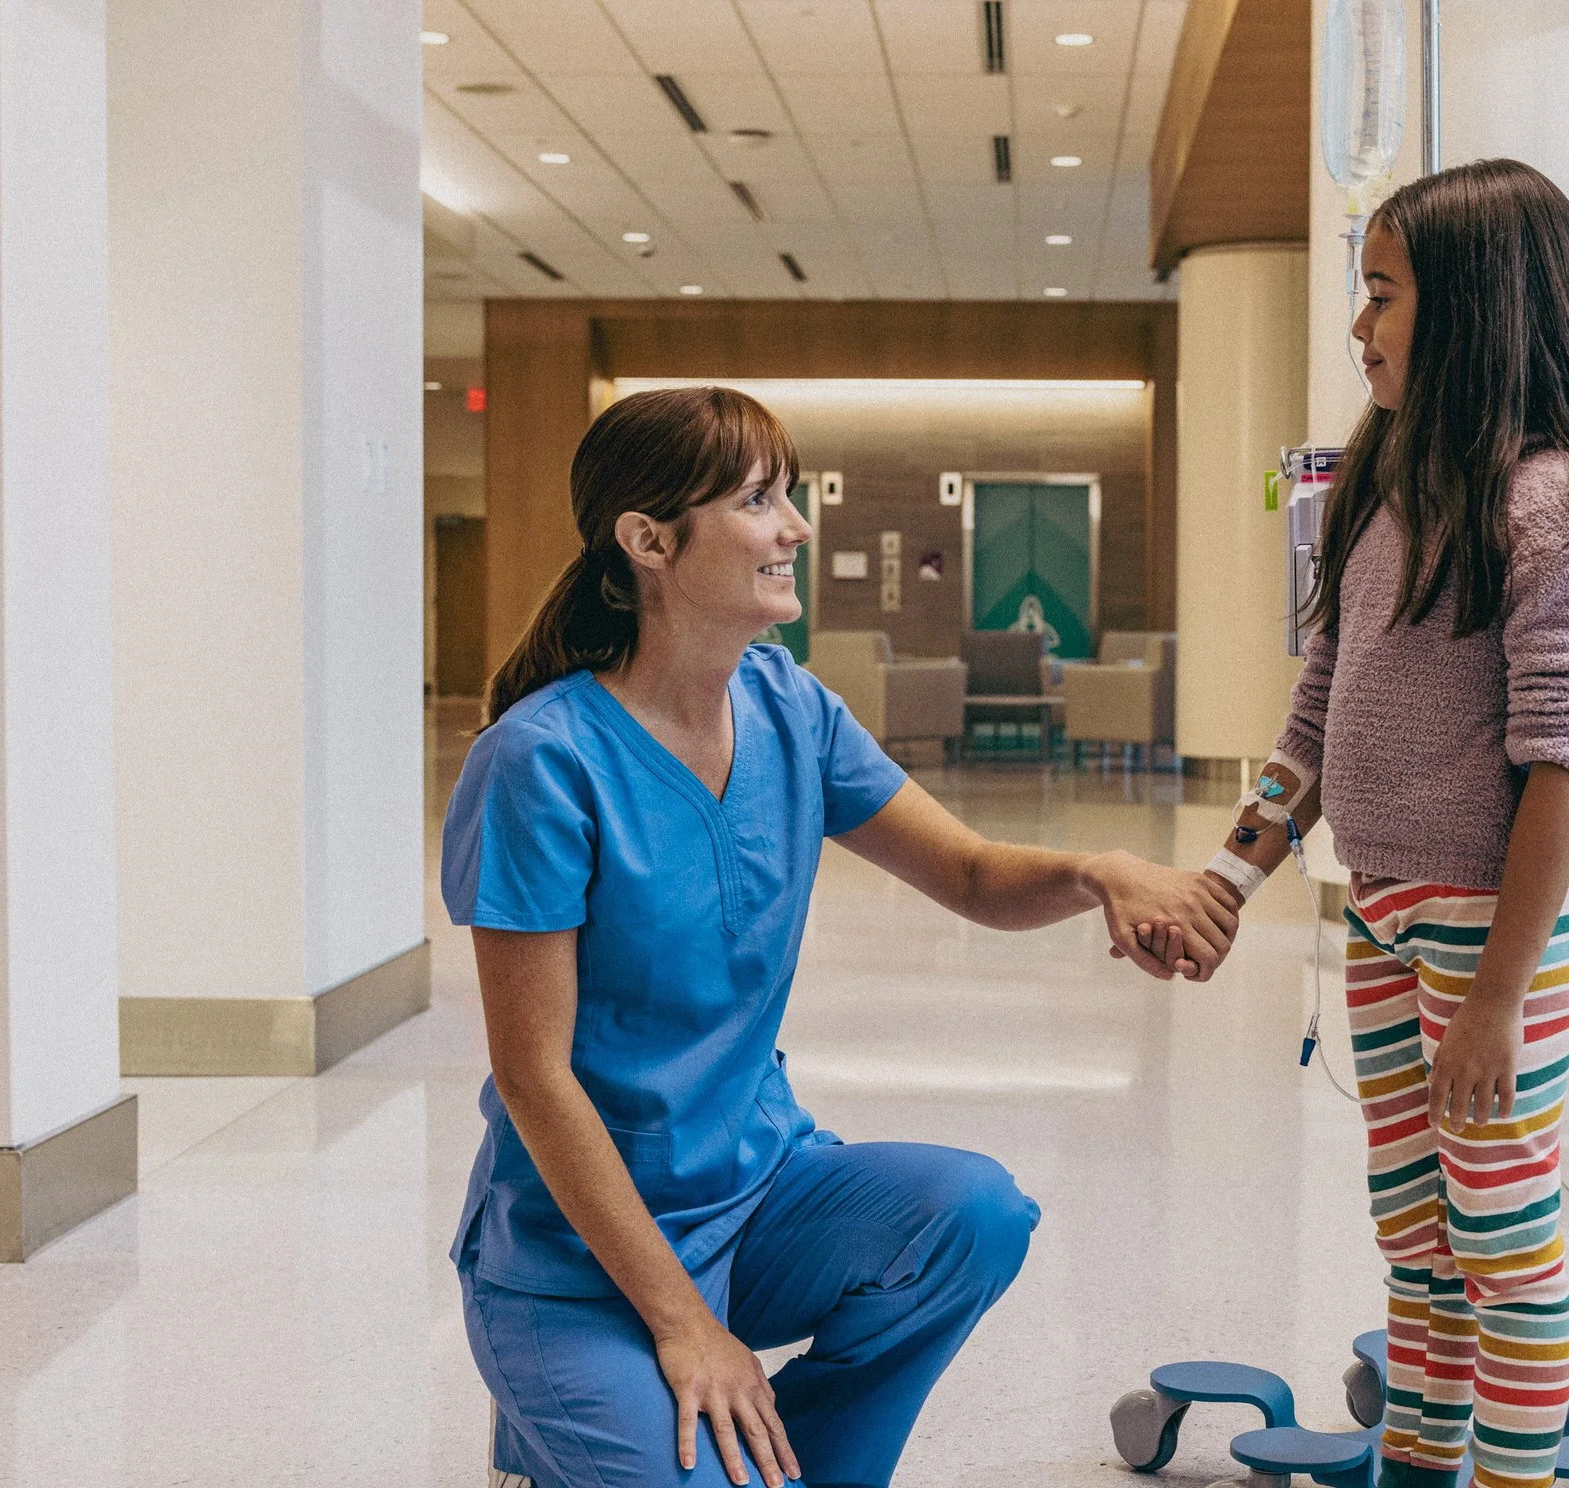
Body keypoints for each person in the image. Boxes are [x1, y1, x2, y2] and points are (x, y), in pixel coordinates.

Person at [444, 385, 1238, 1488]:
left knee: (970, 1215)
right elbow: (532, 1078)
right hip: (576, 1262)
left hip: (753, 1193)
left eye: (788, 496)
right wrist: (686, 1328)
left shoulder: (788, 706)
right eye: (760, 500)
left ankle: (784, 1465)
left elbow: (966, 872)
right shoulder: (542, 760)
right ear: (647, 540)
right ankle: (556, 1430)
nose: (797, 528)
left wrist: (1096, 871)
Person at [1194, 161, 1569, 1488]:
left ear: (1477, 309)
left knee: (1503, 1245)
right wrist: (1238, 870)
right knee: (1416, 1235)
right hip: (1391, 915)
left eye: (1384, 294)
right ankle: (1418, 1466)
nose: (1361, 325)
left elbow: (1565, 763)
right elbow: (1320, 707)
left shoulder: (1551, 504)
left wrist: (1499, 999)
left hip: (1495, 933)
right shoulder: (1392, 478)